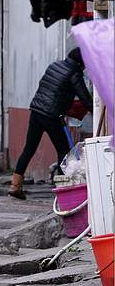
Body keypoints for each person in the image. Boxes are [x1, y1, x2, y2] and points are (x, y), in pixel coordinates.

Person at [9, 48, 92, 199]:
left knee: (29, 148)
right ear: (81, 63)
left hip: (36, 110)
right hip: (51, 115)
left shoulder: (54, 65)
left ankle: (15, 185)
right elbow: (85, 98)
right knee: (64, 151)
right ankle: (63, 188)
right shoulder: (75, 74)